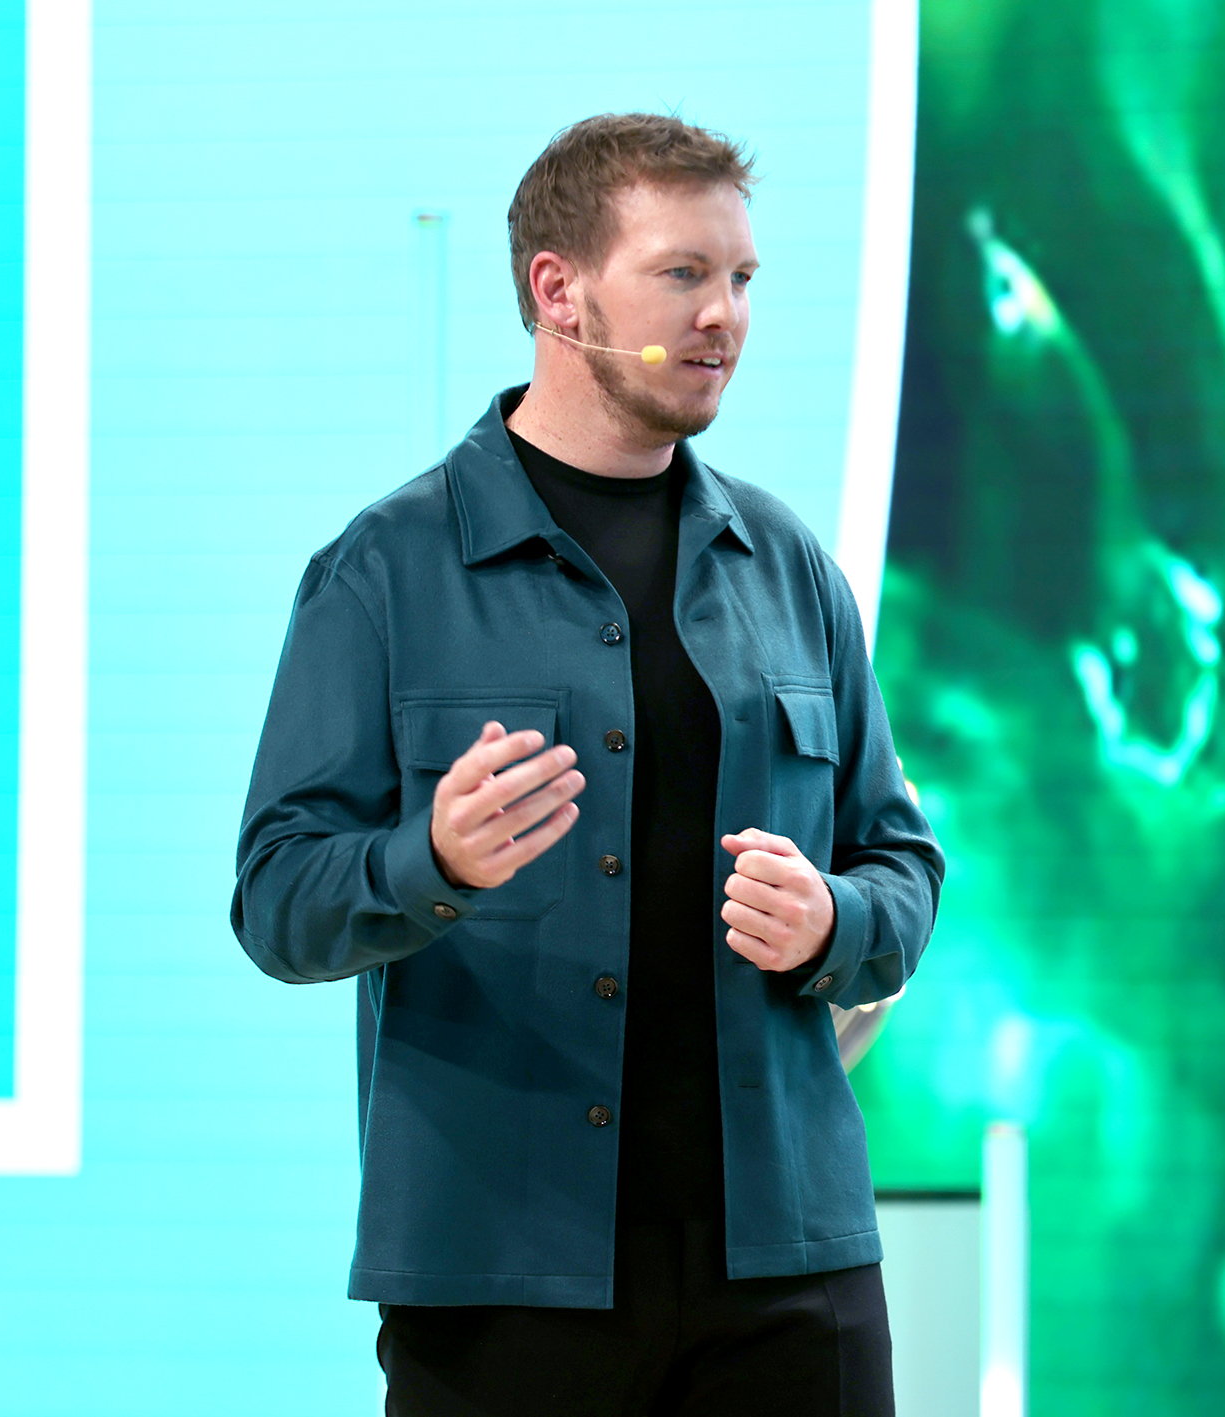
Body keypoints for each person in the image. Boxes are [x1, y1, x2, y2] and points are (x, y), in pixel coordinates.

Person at [232, 113, 942, 1416]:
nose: (724, 314)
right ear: (558, 291)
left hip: (789, 1273)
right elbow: (277, 899)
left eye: (742, 278)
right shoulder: (384, 571)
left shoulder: (789, 568)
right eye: (683, 273)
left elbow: (900, 863)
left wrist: (835, 920)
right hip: (503, 1280)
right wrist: (430, 860)